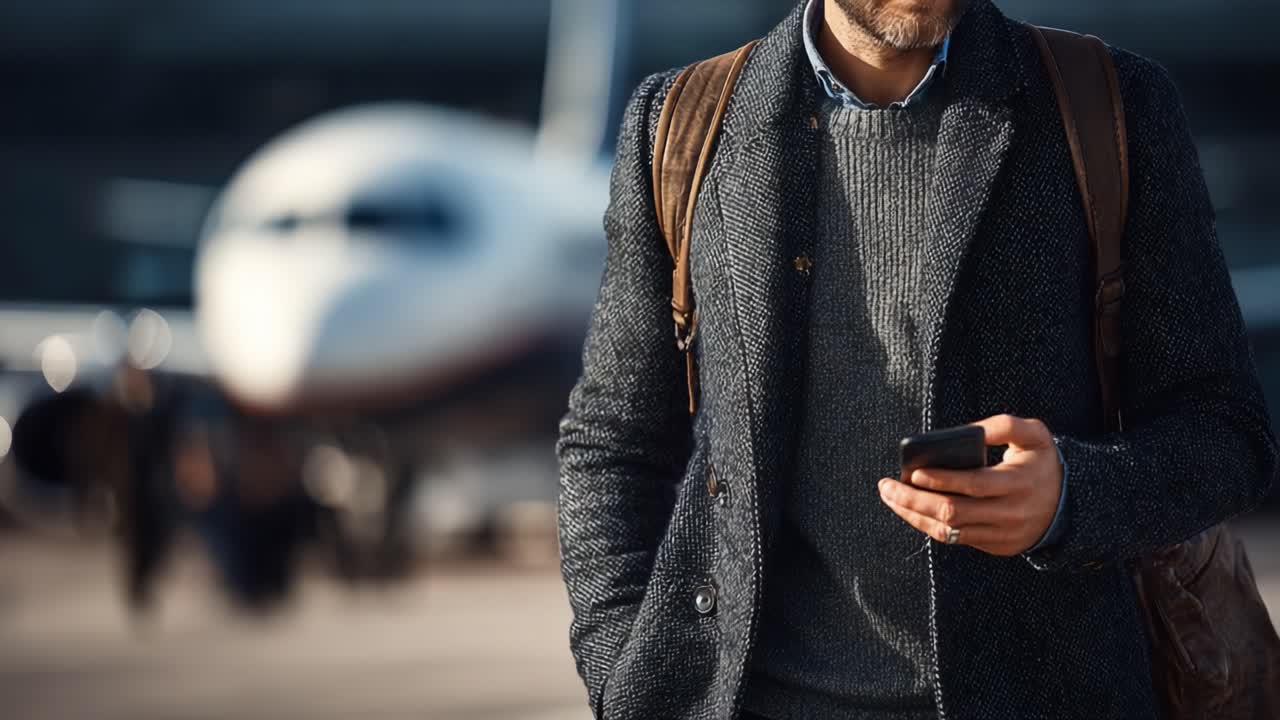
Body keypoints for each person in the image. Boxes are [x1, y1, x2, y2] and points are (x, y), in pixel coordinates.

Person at [555, 0, 1279, 718]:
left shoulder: (1109, 105)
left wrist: (1071, 498)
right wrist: (627, 673)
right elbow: (612, 440)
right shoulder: (681, 122)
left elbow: (1228, 432)